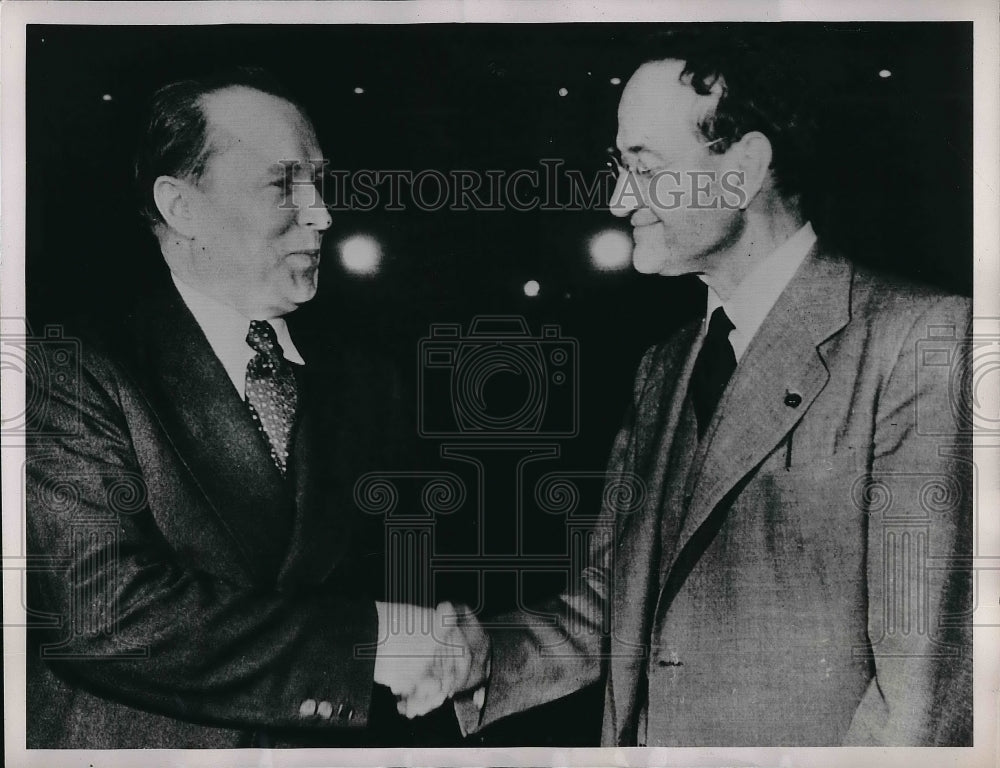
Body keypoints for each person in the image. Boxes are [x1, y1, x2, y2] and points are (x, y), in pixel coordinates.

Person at [435, 29, 973, 746]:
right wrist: (483, 657)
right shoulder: (665, 365)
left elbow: (923, 687)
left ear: (743, 169)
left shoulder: (920, 342)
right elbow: (614, 600)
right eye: (616, 165)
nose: (621, 196)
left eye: (645, 166)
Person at [25, 67, 471, 748]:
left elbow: (404, 584)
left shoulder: (370, 380)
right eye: (283, 185)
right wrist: (375, 640)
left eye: (320, 182)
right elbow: (102, 614)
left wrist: (446, 638)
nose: (321, 213)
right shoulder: (67, 368)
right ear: (182, 206)